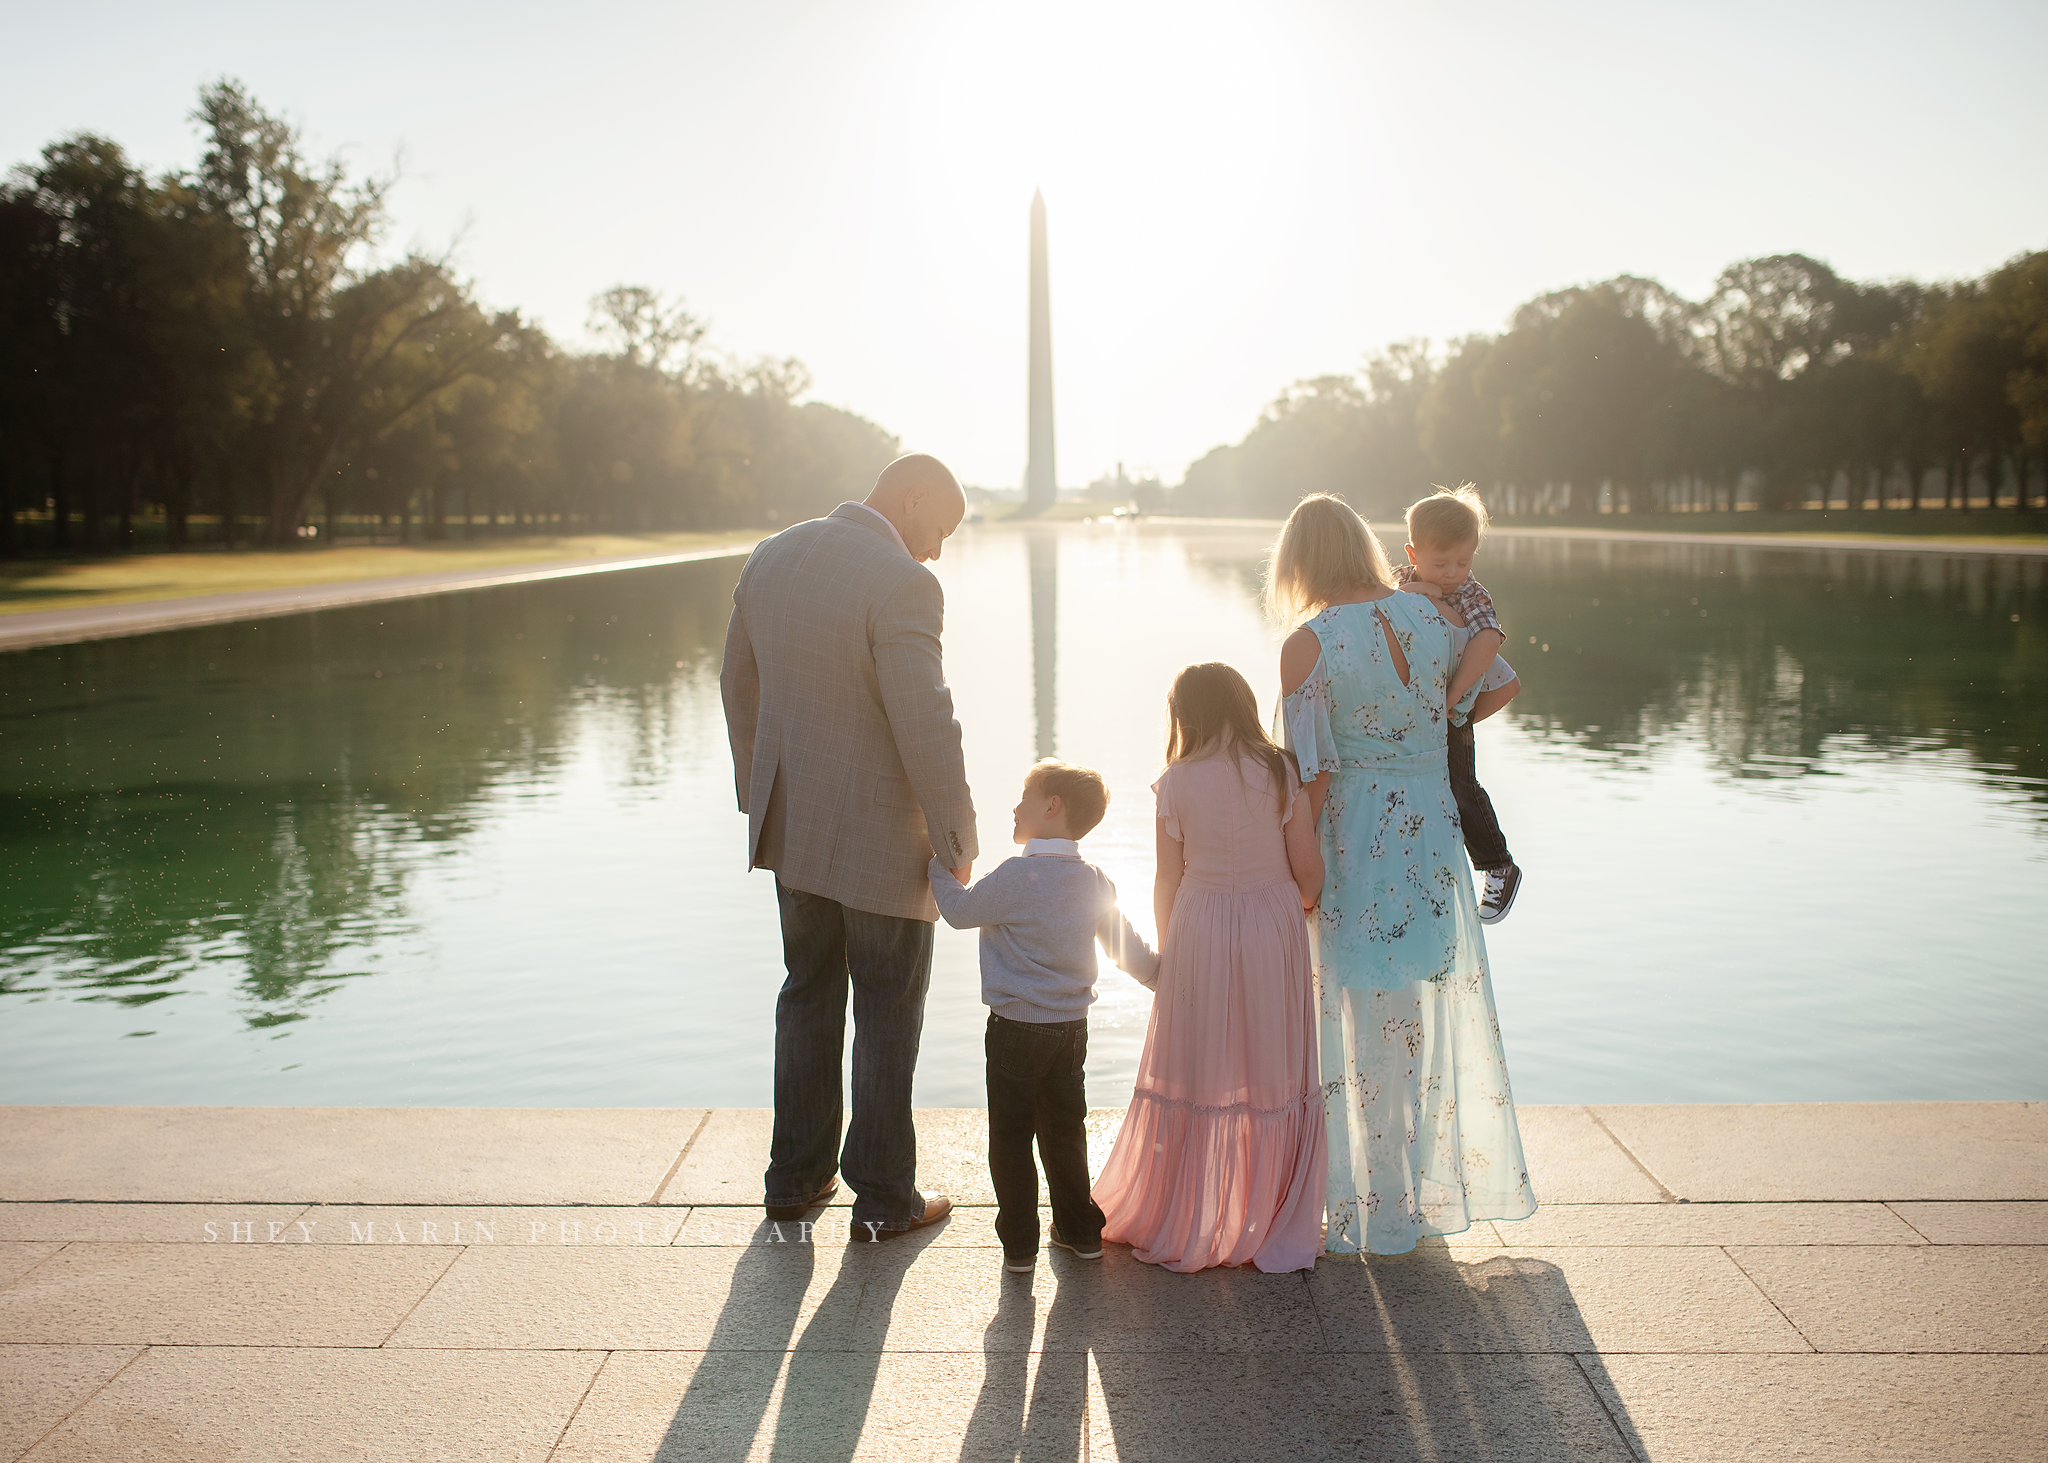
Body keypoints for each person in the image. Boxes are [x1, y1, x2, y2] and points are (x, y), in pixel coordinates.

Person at [1270, 492, 1536, 1256]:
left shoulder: (1309, 643)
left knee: (1358, 1018)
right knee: (1407, 1015)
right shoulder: (1443, 615)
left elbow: (1310, 775)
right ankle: (1405, 1192)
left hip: (1356, 833)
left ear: (1299, 563)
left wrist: (1302, 872)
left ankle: (1363, 1196)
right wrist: (1431, 729)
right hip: (1429, 833)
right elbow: (1498, 687)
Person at [719, 453, 977, 1241]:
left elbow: (736, 682)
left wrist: (756, 789)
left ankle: (794, 1180)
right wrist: (957, 835)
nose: (935, 551)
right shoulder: (902, 582)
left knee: (807, 992)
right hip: (880, 840)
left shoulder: (772, 554)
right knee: (888, 1008)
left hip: (792, 828)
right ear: (913, 495)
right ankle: (882, 1196)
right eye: (938, 530)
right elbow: (924, 717)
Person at [1091, 662, 1327, 1273]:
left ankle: (1192, 1209)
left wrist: (1175, 954)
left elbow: (1166, 877)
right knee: (1271, 1064)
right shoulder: (1279, 770)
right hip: (1270, 916)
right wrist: (1301, 902)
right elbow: (1309, 870)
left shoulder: (1175, 780)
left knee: (1199, 1065)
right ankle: (1268, 1209)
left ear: (1185, 716)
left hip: (1199, 919)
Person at [928, 760, 1158, 1274]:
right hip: (1070, 1031)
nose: (1014, 807)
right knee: (1064, 1131)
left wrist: (936, 869)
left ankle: (1020, 1246)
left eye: (1025, 797)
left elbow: (961, 912)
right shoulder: (1094, 879)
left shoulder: (1015, 875)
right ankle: (1080, 1231)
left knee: (1011, 1137)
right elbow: (1129, 953)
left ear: (1052, 807)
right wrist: (1167, 978)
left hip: (1014, 1029)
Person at [1393, 484, 1524, 923]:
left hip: (1452, 706)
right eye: (1440, 563)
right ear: (1412, 554)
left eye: (1463, 562)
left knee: (1460, 786)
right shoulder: (1399, 584)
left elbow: (1489, 636)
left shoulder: (1471, 594)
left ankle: (1497, 864)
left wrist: (1454, 702)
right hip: (1414, 711)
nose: (1452, 573)